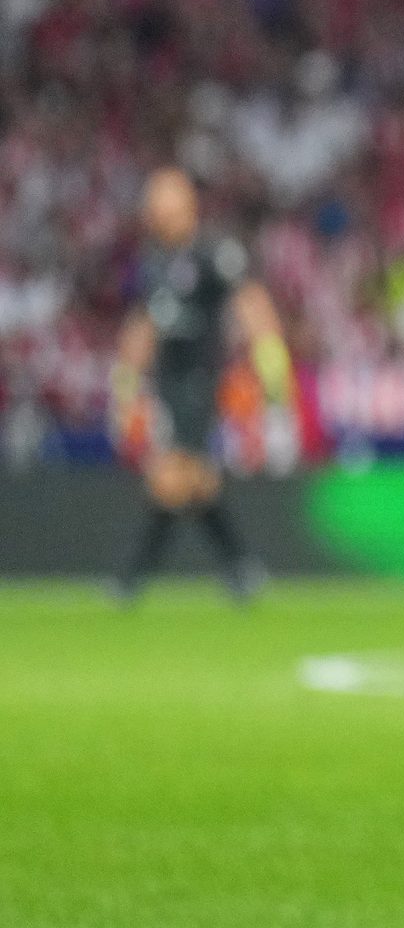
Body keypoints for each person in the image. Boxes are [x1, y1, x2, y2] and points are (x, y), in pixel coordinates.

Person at [110, 169, 289, 605]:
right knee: (197, 482)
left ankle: (132, 578)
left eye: (160, 199)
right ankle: (241, 568)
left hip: (201, 379)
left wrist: (271, 362)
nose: (152, 209)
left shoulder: (214, 250)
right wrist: (125, 381)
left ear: (183, 202)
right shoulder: (152, 260)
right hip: (166, 380)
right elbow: (142, 324)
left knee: (171, 476)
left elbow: (252, 303)